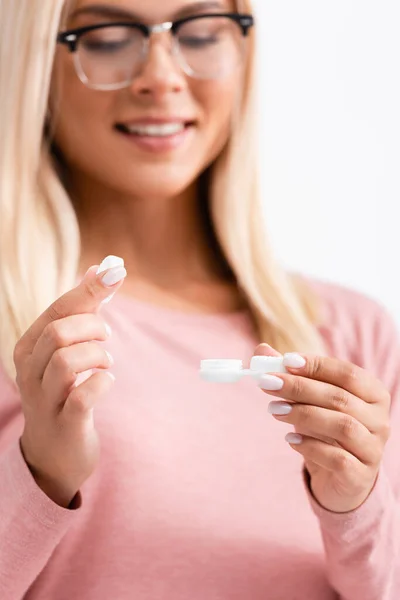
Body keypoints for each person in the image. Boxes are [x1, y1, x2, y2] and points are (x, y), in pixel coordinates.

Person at [0, 0, 399, 598]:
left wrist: (355, 509)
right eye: (107, 37)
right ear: (34, 64)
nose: (161, 75)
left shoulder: (353, 333)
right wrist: (42, 474)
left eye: (201, 31)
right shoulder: (22, 327)